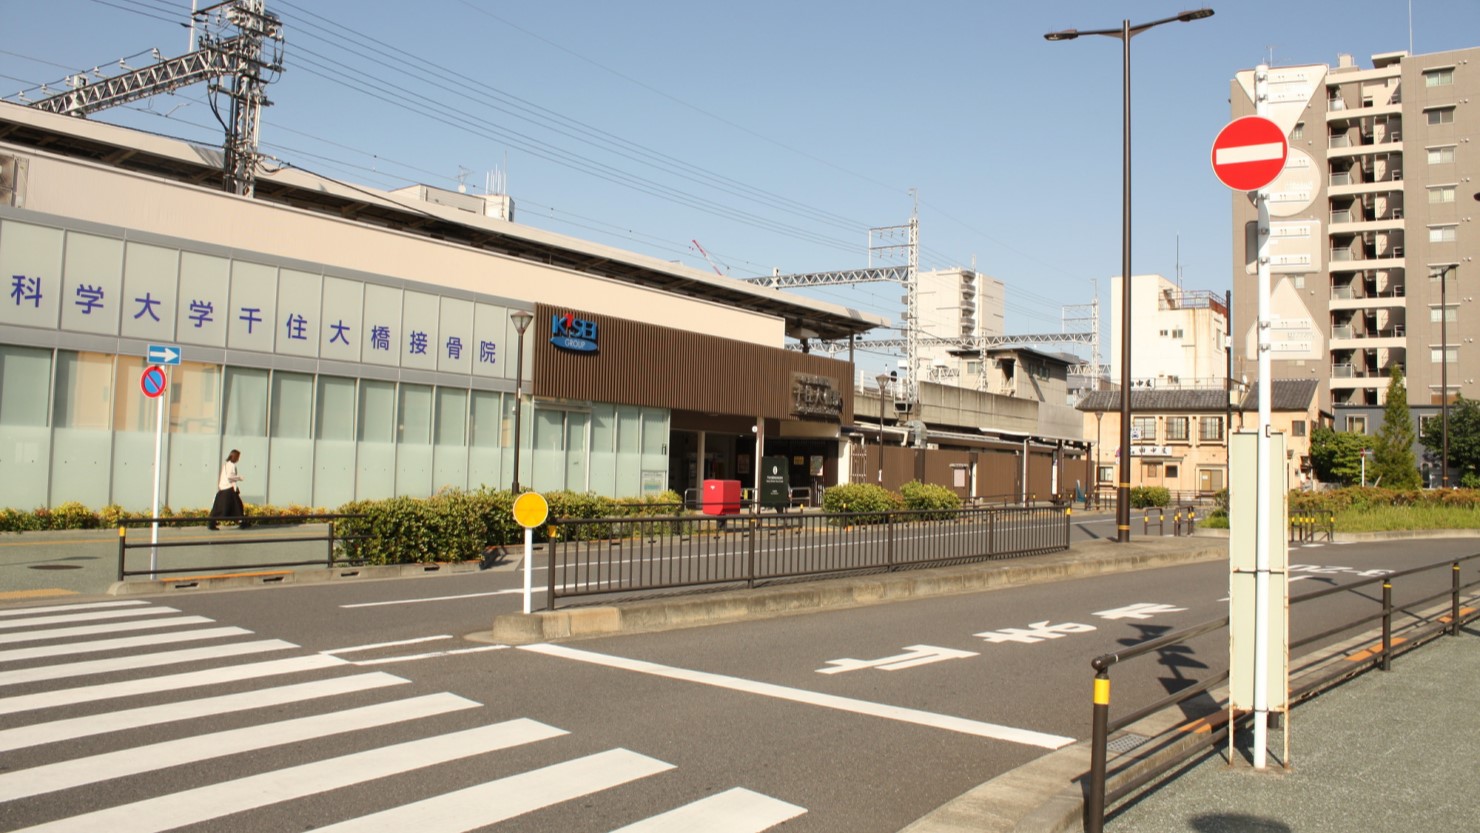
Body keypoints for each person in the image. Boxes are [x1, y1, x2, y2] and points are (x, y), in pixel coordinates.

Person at [208, 449, 247, 530]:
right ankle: (242, 522)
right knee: (234, 507)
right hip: (228, 490)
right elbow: (230, 477)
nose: (238, 459)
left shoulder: (226, 464)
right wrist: (240, 478)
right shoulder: (231, 465)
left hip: (224, 489)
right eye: (237, 457)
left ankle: (212, 523)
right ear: (234, 457)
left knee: (222, 507)